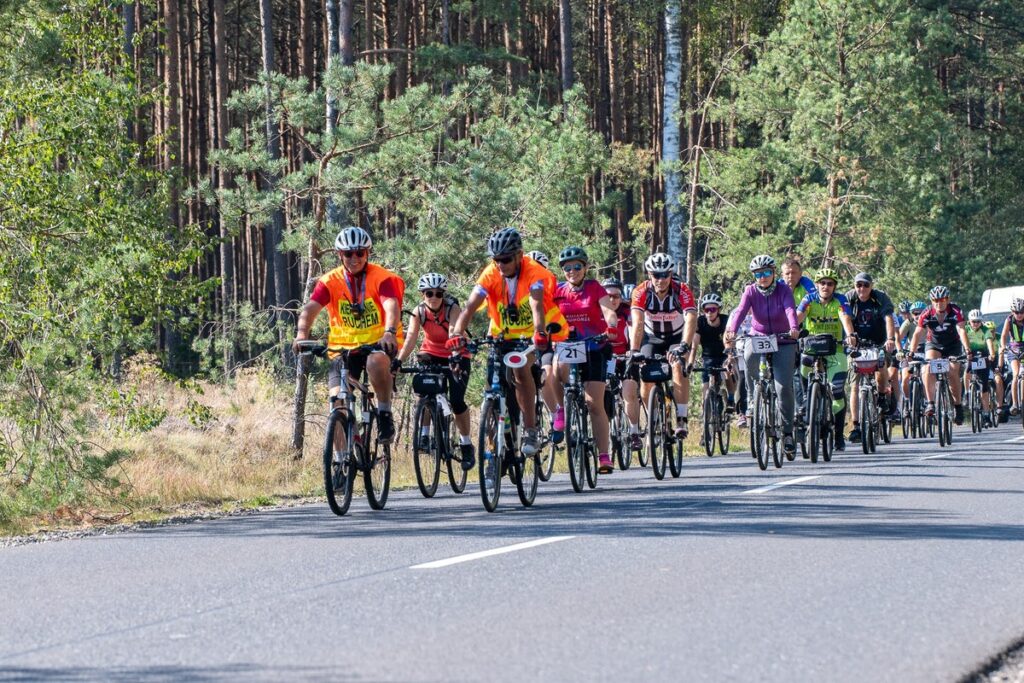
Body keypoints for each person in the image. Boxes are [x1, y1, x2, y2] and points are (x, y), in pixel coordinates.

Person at [448, 227, 567, 456]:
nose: (501, 265)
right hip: (501, 335)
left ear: (519, 255)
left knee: (521, 370)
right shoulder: (491, 273)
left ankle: (531, 429)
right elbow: (470, 306)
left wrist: (540, 332)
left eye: (505, 260)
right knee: (493, 388)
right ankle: (494, 452)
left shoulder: (534, 272)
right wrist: (457, 333)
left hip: (529, 335)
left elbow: (536, 305)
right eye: (496, 260)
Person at [293, 226, 405, 451]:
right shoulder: (330, 281)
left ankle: (384, 413)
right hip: (342, 348)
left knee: (375, 362)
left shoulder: (382, 278)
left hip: (378, 343)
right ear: (339, 255)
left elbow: (391, 306)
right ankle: (341, 462)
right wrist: (302, 335)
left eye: (360, 253)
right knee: (337, 404)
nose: (354, 259)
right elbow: (310, 309)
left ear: (367, 254)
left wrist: (389, 332)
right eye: (348, 254)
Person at [395, 273, 476, 469]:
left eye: (438, 294)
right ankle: (424, 435)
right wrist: (398, 361)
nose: (433, 297)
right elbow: (411, 338)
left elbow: (453, 333)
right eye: (429, 293)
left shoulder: (452, 309)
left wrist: (456, 355)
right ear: (423, 294)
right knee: (424, 392)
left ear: (443, 295)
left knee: (457, 401)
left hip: (457, 353)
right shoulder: (419, 311)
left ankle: (466, 444)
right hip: (430, 352)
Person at [549, 247, 618, 473]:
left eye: (577, 267)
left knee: (593, 402)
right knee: (557, 368)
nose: (572, 271)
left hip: (594, 345)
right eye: (567, 268)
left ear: (585, 268)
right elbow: (546, 314)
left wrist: (611, 326)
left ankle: (604, 456)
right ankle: (562, 408)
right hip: (568, 344)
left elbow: (608, 311)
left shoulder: (594, 288)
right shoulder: (558, 291)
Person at [724, 255, 801, 456]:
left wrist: (794, 327)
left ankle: (787, 433)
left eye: (767, 273)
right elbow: (741, 311)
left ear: (774, 273)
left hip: (783, 339)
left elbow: (790, 309)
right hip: (759, 336)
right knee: (748, 356)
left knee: (783, 387)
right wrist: (732, 329)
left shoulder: (784, 289)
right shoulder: (750, 291)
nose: (763, 277)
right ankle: (752, 397)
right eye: (759, 274)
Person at [629, 253, 698, 439]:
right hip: (652, 338)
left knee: (678, 366)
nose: (660, 279)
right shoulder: (640, 291)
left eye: (664, 275)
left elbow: (691, 318)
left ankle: (682, 418)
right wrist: (634, 351)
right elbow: (637, 323)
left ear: (670, 274)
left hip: (676, 337)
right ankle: (655, 416)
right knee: (645, 375)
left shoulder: (681, 290)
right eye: (655, 275)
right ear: (649, 274)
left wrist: (684, 345)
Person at [796, 268, 857, 452]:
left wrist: (851, 335)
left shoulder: (840, 300)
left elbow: (845, 317)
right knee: (804, 376)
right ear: (817, 285)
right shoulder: (809, 299)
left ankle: (838, 436)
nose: (826, 286)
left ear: (834, 286)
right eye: (822, 283)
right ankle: (809, 403)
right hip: (811, 349)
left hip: (835, 350)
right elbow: (798, 317)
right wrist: (791, 329)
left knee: (837, 391)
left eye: (830, 283)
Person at [844, 272, 898, 443]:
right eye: (858, 285)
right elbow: (844, 316)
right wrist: (848, 337)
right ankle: (856, 426)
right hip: (856, 345)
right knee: (855, 384)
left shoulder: (880, 297)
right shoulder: (849, 298)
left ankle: (882, 397)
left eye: (865, 285)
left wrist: (890, 339)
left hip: (878, 342)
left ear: (871, 286)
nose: (862, 288)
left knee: (881, 368)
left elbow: (888, 318)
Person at [907, 285, 971, 424]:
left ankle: (958, 406)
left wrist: (967, 350)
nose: (938, 303)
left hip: (953, 345)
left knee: (953, 371)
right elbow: (918, 333)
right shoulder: (927, 312)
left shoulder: (955, 310)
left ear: (947, 299)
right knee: (927, 368)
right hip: (934, 344)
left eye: (942, 300)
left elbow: (961, 330)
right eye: (935, 300)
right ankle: (930, 403)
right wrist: (911, 352)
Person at [602, 277, 642, 450]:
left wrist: (633, 351)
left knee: (629, 393)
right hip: (605, 357)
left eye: (616, 296)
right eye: (608, 296)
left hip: (626, 357)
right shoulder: (597, 311)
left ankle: (634, 432)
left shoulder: (627, 311)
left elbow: (633, 329)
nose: (612, 300)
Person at [781, 257, 816, 437]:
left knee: (801, 369)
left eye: (794, 273)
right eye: (787, 273)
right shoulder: (778, 286)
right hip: (783, 331)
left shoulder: (807, 285)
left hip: (804, 330)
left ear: (800, 274)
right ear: (782, 274)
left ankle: (805, 406)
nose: (790, 276)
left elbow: (814, 302)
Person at [687, 292, 736, 412]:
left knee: (727, 372)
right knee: (705, 387)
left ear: (718, 310)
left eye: (713, 309)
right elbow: (694, 345)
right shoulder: (701, 322)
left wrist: (730, 358)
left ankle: (730, 399)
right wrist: (690, 363)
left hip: (724, 355)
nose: (709, 313)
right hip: (708, 358)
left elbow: (730, 341)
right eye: (706, 310)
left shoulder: (725, 321)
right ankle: (706, 413)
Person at [963, 308, 998, 426]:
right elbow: (960, 340)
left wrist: (992, 354)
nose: (976, 324)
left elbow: (989, 341)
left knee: (984, 386)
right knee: (967, 369)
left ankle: (986, 415)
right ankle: (967, 393)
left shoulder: (985, 330)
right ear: (969, 321)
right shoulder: (965, 329)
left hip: (983, 354)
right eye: (973, 321)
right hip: (970, 353)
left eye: (978, 321)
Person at [899, 300, 928, 418]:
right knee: (905, 377)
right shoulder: (908, 323)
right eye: (915, 313)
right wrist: (899, 351)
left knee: (928, 376)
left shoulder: (929, 321)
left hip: (927, 350)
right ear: (911, 314)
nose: (917, 316)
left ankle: (928, 402)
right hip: (910, 351)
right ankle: (907, 401)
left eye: (920, 313)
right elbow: (898, 337)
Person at [999, 297, 1024, 416]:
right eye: (1017, 312)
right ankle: (1014, 403)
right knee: (1016, 374)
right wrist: (1003, 346)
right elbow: (1003, 336)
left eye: (1022, 312)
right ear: (1012, 312)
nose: (1019, 315)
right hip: (1013, 350)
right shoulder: (1009, 320)